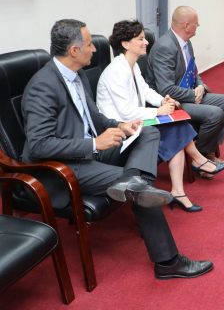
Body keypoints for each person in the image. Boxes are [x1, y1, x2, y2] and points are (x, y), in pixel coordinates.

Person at [22, 19, 213, 279]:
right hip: (64, 164)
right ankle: (168, 263)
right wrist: (93, 143)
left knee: (147, 132)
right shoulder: (43, 86)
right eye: (89, 44)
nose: (94, 49)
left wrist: (120, 126)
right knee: (139, 188)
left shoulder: (75, 75)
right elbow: (39, 144)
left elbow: (94, 117)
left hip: (90, 151)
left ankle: (133, 183)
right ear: (74, 51)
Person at [96, 20, 224, 211]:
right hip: (120, 128)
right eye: (140, 39)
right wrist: (159, 111)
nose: (146, 42)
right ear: (125, 44)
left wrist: (163, 101)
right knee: (176, 128)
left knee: (177, 124)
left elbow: (146, 91)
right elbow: (125, 111)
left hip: (135, 121)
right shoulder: (116, 71)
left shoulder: (131, 65)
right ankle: (196, 164)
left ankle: (180, 189)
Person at [146, 6, 224, 165]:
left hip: (189, 94)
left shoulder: (186, 43)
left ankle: (204, 150)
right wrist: (193, 95)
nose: (199, 25)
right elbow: (165, 89)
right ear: (186, 25)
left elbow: (193, 72)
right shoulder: (165, 47)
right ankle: (200, 158)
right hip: (171, 102)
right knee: (214, 113)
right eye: (196, 23)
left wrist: (200, 86)